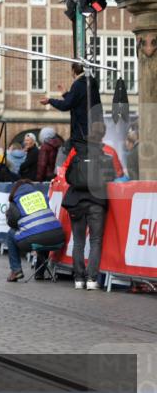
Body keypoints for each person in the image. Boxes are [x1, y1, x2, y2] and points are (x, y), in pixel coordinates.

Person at [60, 122, 115, 290]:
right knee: (95, 241)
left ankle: (78, 279)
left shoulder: (76, 155)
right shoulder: (106, 157)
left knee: (78, 241)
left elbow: (68, 177)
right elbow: (111, 178)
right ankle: (91, 279)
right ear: (102, 136)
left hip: (76, 202)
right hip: (96, 202)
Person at [4, 179, 65, 282]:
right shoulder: (41, 196)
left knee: (11, 234)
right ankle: (39, 273)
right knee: (44, 232)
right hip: (58, 238)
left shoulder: (16, 200)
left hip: (35, 240)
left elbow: (12, 223)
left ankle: (16, 270)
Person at [39, 62, 103, 143]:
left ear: (73, 71)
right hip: (93, 129)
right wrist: (66, 94)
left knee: (65, 150)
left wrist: (50, 101)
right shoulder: (92, 82)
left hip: (81, 132)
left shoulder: (78, 84)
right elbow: (78, 101)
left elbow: (66, 105)